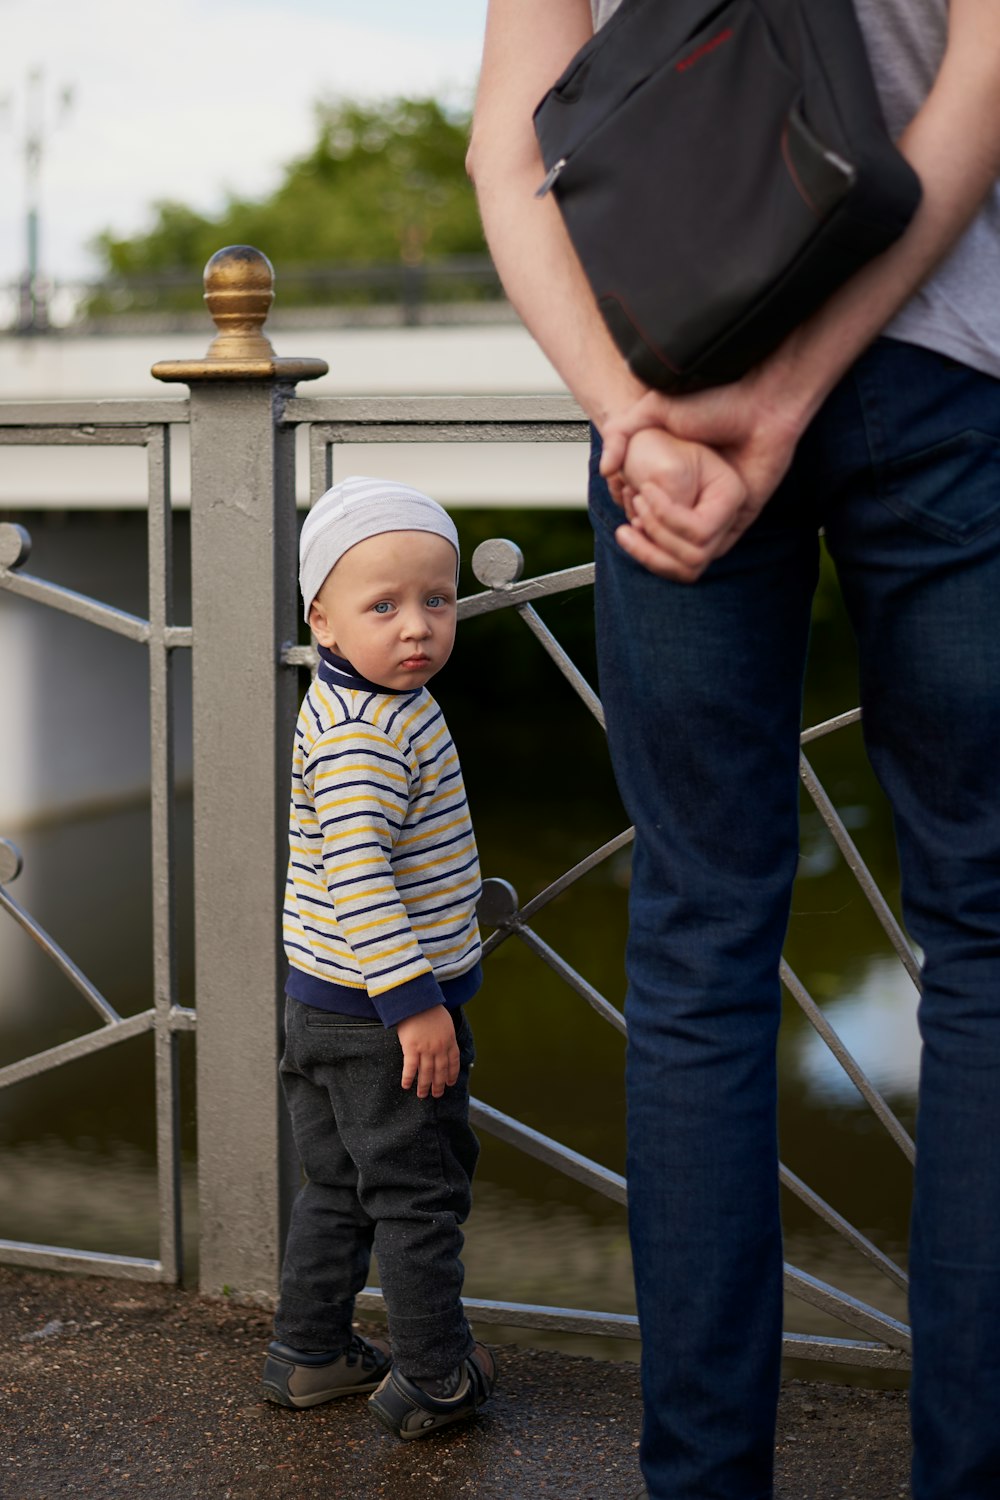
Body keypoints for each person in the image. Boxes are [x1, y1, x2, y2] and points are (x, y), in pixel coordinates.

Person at [468, 2, 1000, 1497]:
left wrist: (636, 418)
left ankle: (701, 1479)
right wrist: (797, 390)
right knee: (984, 934)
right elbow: (982, 86)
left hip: (675, 369)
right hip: (954, 370)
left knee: (698, 934)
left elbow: (512, 144)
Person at [262, 476, 496, 1440]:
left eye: (437, 601)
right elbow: (360, 877)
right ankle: (435, 1374)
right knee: (418, 1193)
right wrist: (416, 1005)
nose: (417, 629)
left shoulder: (346, 699)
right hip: (380, 1015)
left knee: (340, 1185)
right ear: (321, 617)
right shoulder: (372, 734)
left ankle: (309, 1352)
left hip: (319, 1004)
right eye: (384, 607)